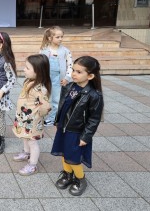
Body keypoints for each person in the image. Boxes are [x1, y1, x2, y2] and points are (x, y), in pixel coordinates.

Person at [51, 56, 103, 196]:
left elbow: (94, 119)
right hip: (63, 127)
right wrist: (57, 121)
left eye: (79, 72)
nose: (74, 74)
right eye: (73, 70)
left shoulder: (94, 95)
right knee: (63, 152)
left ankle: (80, 179)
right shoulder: (68, 86)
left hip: (77, 131)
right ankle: (68, 174)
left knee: (73, 157)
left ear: (90, 76)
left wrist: (86, 136)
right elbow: (63, 106)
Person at [12, 54, 52, 176]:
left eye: (27, 68)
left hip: (32, 121)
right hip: (24, 119)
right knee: (25, 137)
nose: (24, 69)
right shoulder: (29, 82)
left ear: (38, 71)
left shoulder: (39, 89)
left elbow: (46, 106)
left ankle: (32, 165)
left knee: (32, 142)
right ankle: (26, 153)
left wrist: (37, 116)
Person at [40, 26, 73, 126]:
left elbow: (70, 65)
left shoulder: (65, 51)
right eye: (57, 37)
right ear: (50, 38)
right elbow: (40, 64)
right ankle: (40, 115)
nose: (60, 39)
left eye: (61, 37)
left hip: (58, 79)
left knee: (56, 100)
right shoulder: (44, 50)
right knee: (43, 97)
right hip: (45, 78)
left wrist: (67, 77)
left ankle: (52, 118)